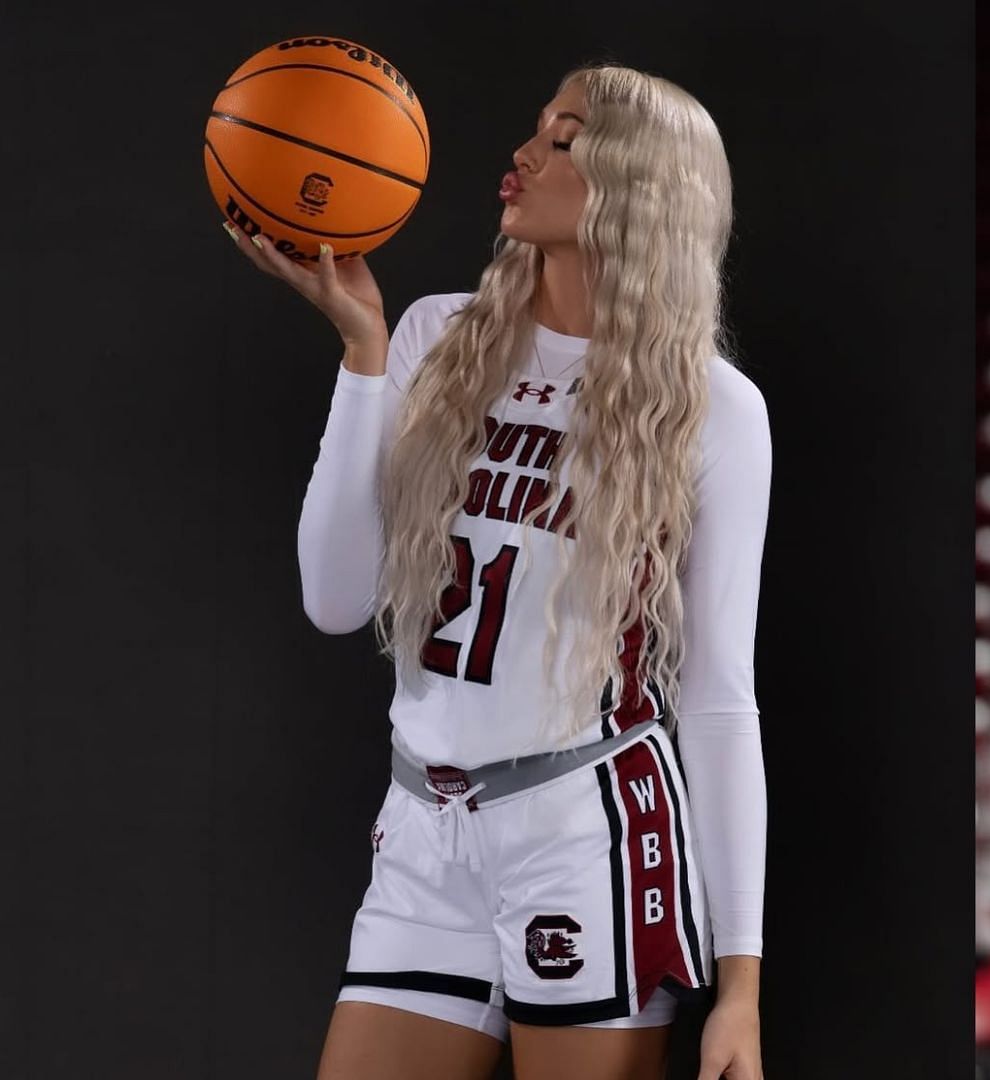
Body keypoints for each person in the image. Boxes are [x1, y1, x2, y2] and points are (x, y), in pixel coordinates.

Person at [223, 64, 769, 1080]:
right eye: (536, 129)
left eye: (562, 141)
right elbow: (336, 600)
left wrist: (741, 988)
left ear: (633, 185)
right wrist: (364, 354)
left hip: (586, 830)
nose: (523, 156)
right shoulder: (436, 336)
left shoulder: (713, 407)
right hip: (423, 825)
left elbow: (720, 700)